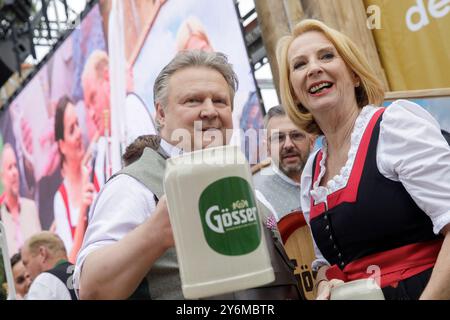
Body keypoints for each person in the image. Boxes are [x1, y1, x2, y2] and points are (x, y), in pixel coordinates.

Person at [74, 50, 301, 300]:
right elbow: (92, 289)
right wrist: (153, 234)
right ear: (161, 113)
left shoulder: (254, 192)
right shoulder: (133, 187)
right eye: (193, 100)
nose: (209, 111)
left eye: (220, 101)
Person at [276, 19, 450, 300]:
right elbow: (328, 264)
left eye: (327, 56)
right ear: (295, 94)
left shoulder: (395, 126)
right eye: (299, 65)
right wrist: (324, 283)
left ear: (354, 74)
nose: (314, 68)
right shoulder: (312, 170)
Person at [53, 96, 97, 263]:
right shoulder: (60, 199)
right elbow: (70, 261)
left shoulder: (96, 169)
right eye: (72, 129)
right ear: (62, 145)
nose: (79, 133)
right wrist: (82, 215)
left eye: (78, 124)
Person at [253, 105, 314, 220]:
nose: (288, 145)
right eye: (278, 138)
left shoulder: (329, 176)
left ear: (312, 141)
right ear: (268, 148)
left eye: (296, 135)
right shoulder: (257, 197)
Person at [0, 144, 41, 256]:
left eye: (15, 166)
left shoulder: (31, 207)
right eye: (9, 167)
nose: (14, 172)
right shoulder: (1, 217)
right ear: (2, 177)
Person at [21, 231, 76, 300]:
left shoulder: (44, 282)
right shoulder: (83, 273)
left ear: (42, 253)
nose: (26, 274)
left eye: (26, 263)